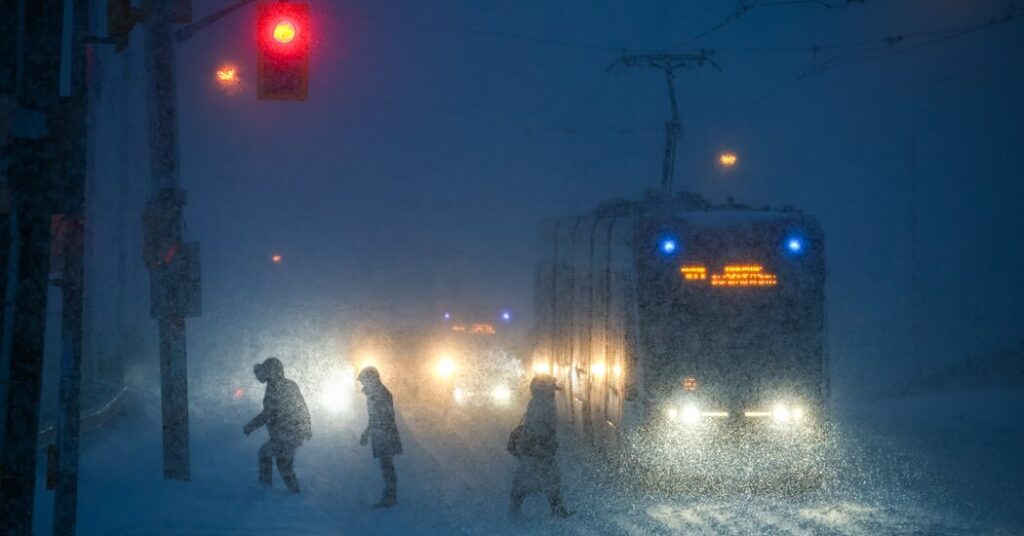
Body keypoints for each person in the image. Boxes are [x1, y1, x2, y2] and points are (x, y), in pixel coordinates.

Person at [243, 357, 312, 494]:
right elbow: (302, 407)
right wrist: (306, 426)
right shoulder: (284, 385)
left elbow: (269, 413)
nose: (263, 377)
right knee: (283, 465)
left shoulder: (278, 387)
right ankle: (294, 493)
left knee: (266, 454)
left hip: (287, 432)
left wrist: (251, 425)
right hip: (290, 432)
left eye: (266, 372)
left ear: (272, 372)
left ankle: (265, 488)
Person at [507, 374, 572, 518]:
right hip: (539, 452)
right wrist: (545, 443)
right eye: (551, 389)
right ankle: (557, 510)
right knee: (547, 480)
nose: (554, 392)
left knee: (527, 482)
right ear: (543, 389)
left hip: (536, 451)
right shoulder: (542, 404)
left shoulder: (539, 402)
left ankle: (515, 511)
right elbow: (539, 429)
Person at [356, 366, 403, 508]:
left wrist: (371, 432)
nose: (363, 384)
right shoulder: (375, 393)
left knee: (387, 466)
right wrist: (367, 432)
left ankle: (390, 497)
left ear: (372, 379)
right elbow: (375, 417)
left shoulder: (380, 394)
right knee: (386, 466)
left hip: (385, 435)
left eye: (364, 381)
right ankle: (390, 495)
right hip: (382, 434)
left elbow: (384, 417)